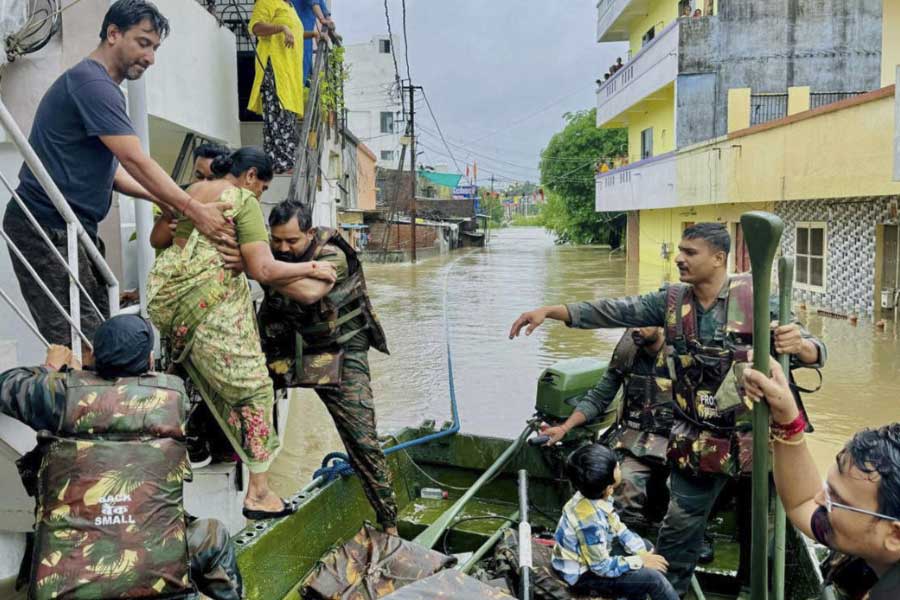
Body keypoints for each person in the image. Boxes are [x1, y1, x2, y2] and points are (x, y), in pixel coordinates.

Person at [509, 222, 827, 595]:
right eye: (680, 250)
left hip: (759, 439)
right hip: (701, 439)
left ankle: (750, 590)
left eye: (690, 252)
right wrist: (552, 311)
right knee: (679, 528)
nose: (679, 258)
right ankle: (667, 592)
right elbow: (615, 310)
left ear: (718, 258)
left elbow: (816, 349)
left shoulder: (757, 299)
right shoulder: (672, 301)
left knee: (761, 529)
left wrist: (801, 346)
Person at [3, 0, 233, 356]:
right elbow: (135, 158)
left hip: (75, 227)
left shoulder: (103, 88)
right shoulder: (91, 84)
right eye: (143, 43)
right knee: (76, 345)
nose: (151, 58)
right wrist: (193, 208)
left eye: (155, 48)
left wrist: (163, 201)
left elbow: (116, 173)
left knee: (103, 338)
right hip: (44, 225)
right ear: (113, 33)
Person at [147, 147, 338, 519]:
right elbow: (264, 270)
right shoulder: (240, 201)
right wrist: (312, 266)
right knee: (255, 388)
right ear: (250, 176)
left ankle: (189, 451)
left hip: (170, 303)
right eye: (262, 188)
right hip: (208, 306)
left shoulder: (190, 192)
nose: (259, 196)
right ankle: (259, 493)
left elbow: (160, 241)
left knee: (202, 375)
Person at [0, 315, 243, 600]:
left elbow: (7, 385)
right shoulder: (173, 396)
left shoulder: (61, 395)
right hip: (160, 589)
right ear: (150, 362)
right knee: (213, 534)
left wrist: (52, 368)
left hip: (63, 589)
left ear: (94, 358)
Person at [256, 200, 399, 534]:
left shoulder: (331, 253)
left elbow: (308, 293)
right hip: (290, 351)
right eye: (276, 241)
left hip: (339, 354)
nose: (283, 248)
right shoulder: (270, 253)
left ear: (309, 232)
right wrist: (270, 264)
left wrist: (262, 270)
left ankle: (389, 523)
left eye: (292, 241)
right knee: (239, 387)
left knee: (362, 440)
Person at [743, 362, 900, 600]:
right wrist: (786, 417)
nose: (819, 498)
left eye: (835, 500)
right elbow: (803, 501)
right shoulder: (876, 545)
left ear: (895, 536)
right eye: (828, 490)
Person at [551, 443, 678, 600]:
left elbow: (619, 529)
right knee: (654, 580)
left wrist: (642, 554)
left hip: (594, 555)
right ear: (609, 488)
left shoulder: (594, 496)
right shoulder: (590, 521)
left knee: (646, 546)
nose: (619, 465)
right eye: (616, 467)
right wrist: (640, 561)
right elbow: (600, 567)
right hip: (583, 575)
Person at [248, 0, 309, 173]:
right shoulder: (267, 1)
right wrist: (281, 28)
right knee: (277, 115)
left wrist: (314, 35)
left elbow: (295, 33)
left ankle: (286, 163)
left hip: (289, 72)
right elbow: (256, 28)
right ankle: (279, 164)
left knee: (287, 116)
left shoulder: (289, 6)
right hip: (273, 66)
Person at [291, 0, 335, 87]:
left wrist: (329, 21)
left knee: (306, 69)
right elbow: (314, 2)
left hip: (306, 34)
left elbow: (321, 3)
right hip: (299, 32)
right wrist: (322, 20)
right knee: (299, 71)